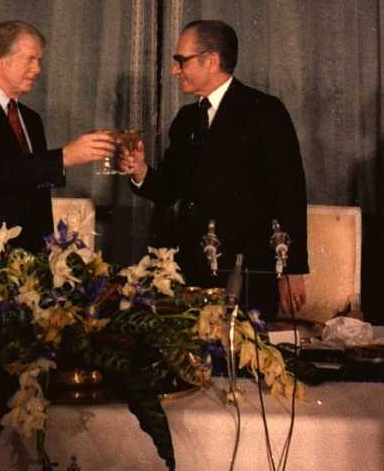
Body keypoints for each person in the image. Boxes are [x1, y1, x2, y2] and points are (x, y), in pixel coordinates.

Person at [121, 20, 308, 319]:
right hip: (192, 274)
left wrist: (292, 269)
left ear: (211, 61)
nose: (174, 70)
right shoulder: (185, 119)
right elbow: (169, 191)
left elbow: (290, 194)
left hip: (246, 274)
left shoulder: (264, 111)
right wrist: (140, 171)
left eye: (181, 61)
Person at [0, 21, 115, 251]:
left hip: (31, 258)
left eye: (38, 61)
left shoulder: (31, 119)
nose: (38, 70)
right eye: (30, 59)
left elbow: (33, 182)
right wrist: (63, 157)